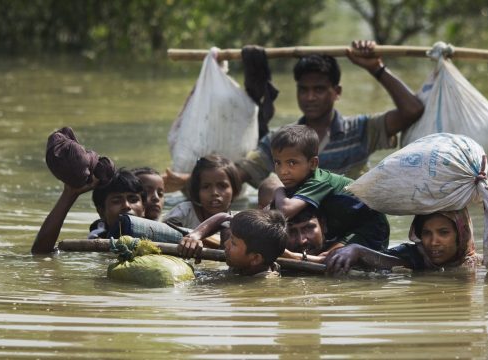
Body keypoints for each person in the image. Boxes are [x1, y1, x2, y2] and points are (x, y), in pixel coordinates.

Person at [163, 39, 424, 193]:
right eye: (304, 90)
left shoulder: (361, 129)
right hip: (301, 229)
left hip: (344, 220)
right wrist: (192, 181)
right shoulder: (280, 140)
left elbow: (412, 110)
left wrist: (376, 68)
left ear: (337, 93)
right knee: (269, 187)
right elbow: (240, 173)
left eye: (319, 90)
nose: (310, 97)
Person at [325, 206, 488, 274]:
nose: (433, 242)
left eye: (444, 233)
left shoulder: (481, 263)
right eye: (427, 233)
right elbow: (387, 262)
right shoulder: (415, 256)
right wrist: (357, 250)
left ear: (461, 235)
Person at [270, 124, 390, 252]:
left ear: (313, 163)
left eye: (292, 163)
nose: (283, 171)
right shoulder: (299, 181)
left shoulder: (319, 181)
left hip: (371, 228)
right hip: (346, 223)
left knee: (333, 257)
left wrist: (278, 190)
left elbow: (285, 210)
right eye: (278, 163)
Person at [32, 168, 145, 254]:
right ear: (101, 212)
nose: (126, 206)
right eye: (116, 201)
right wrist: (69, 194)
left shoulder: (159, 235)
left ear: (144, 209)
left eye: (133, 200)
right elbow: (40, 253)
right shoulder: (95, 243)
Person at [177, 209, 288, 277]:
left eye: (233, 243)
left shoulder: (262, 285)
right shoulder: (245, 263)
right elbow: (224, 217)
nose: (226, 244)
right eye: (230, 237)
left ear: (255, 259)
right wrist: (195, 236)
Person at [162, 155, 241, 229]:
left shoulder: (238, 222)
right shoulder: (184, 213)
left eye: (222, 186)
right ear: (197, 191)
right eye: (206, 187)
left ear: (234, 189)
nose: (214, 192)